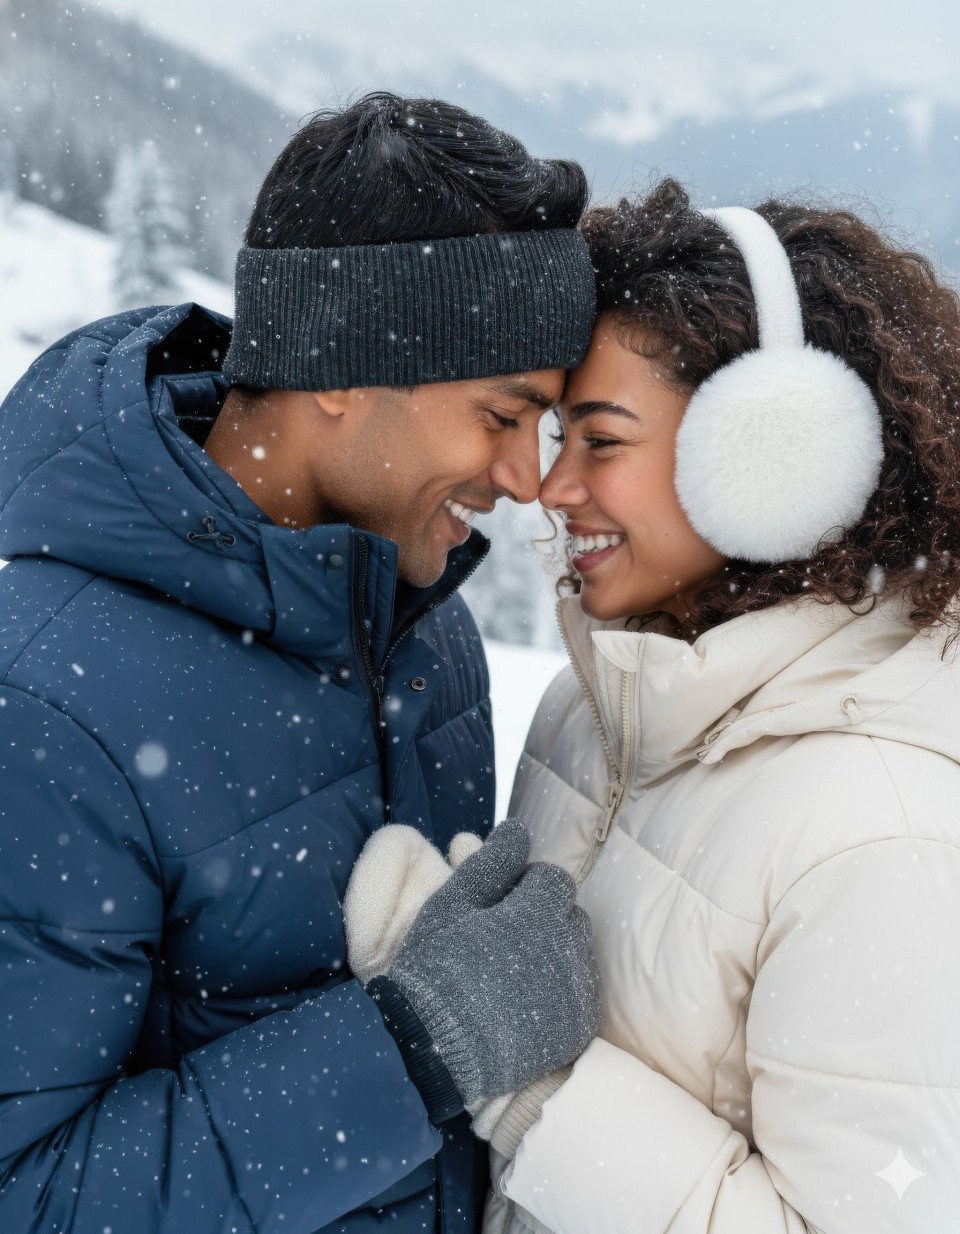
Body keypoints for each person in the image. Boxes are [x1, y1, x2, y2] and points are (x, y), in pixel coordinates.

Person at [0, 92, 600, 1234]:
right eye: (500, 413)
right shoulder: (45, 702)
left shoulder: (427, 638)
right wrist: (415, 1050)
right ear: (339, 363)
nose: (526, 476)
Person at [483, 179, 960, 1232]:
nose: (553, 488)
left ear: (777, 458)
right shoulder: (588, 709)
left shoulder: (877, 830)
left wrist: (528, 1092)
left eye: (600, 440)